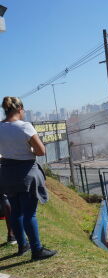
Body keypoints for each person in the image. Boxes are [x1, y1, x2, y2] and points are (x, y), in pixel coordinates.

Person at [0, 96, 56, 260]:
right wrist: (27, 152)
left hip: (7, 173)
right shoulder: (25, 127)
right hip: (26, 174)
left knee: (16, 212)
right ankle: (37, 250)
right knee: (29, 213)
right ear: (19, 109)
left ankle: (22, 245)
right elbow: (41, 151)